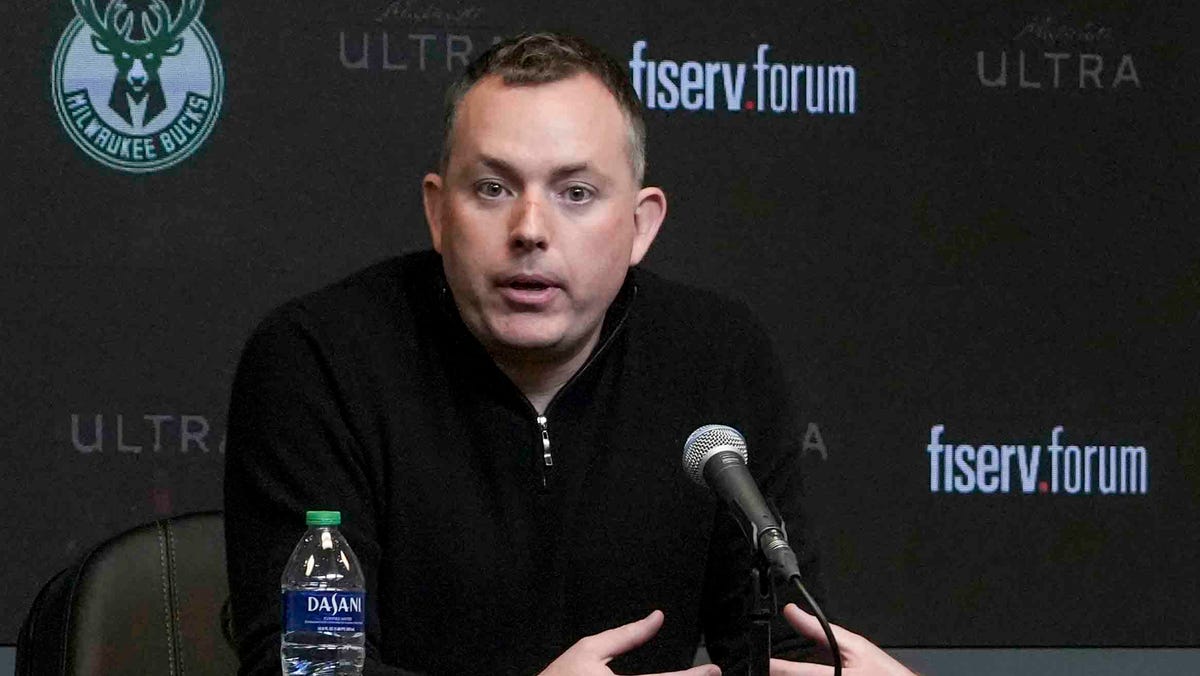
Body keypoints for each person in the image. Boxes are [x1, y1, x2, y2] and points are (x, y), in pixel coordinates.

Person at [224, 32, 915, 676]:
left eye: (576, 193)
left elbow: (784, 645)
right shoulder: (318, 360)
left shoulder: (718, 356)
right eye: (493, 189)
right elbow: (307, 669)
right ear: (438, 213)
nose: (530, 229)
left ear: (641, 225)